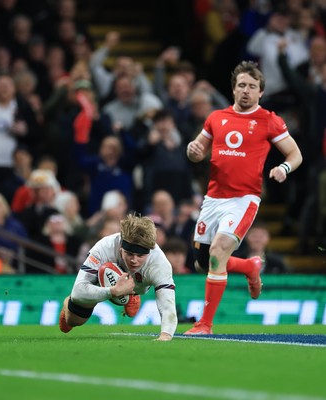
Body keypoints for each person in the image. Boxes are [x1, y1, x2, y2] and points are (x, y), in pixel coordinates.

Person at [184, 60, 303, 335]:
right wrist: (193, 151)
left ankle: (205, 324)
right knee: (203, 263)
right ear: (233, 89)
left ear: (260, 92)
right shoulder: (216, 118)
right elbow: (197, 150)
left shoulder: (269, 120)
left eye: (252, 86)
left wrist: (284, 168)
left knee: (217, 252)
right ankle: (250, 267)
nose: (246, 91)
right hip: (213, 199)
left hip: (243, 199)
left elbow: (295, 154)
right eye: (241, 86)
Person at [59, 213, 177, 341]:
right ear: (121, 247)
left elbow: (167, 305)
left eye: (140, 256)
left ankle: (132, 294)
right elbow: (78, 292)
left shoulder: (160, 263)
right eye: (129, 253)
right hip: (102, 282)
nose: (134, 260)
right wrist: (113, 291)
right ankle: (69, 302)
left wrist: (165, 335)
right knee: (74, 321)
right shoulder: (103, 248)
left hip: (140, 285)